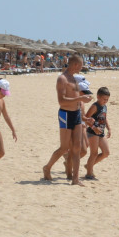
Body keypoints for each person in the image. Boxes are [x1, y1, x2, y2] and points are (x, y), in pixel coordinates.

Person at [42, 55, 94, 185]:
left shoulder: (74, 78)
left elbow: (76, 96)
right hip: (65, 114)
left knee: (77, 147)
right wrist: (80, 99)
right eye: (81, 65)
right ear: (75, 65)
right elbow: (62, 101)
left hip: (76, 114)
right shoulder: (62, 79)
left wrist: (83, 106)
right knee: (64, 147)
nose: (82, 68)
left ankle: (75, 179)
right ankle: (47, 167)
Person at [84, 87, 111, 180]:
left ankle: (89, 166)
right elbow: (86, 119)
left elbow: (104, 118)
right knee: (94, 153)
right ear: (98, 97)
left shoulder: (104, 106)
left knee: (106, 153)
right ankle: (89, 174)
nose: (105, 101)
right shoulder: (94, 106)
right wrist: (94, 128)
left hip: (101, 132)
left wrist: (109, 128)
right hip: (92, 132)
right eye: (104, 99)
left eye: (107, 99)